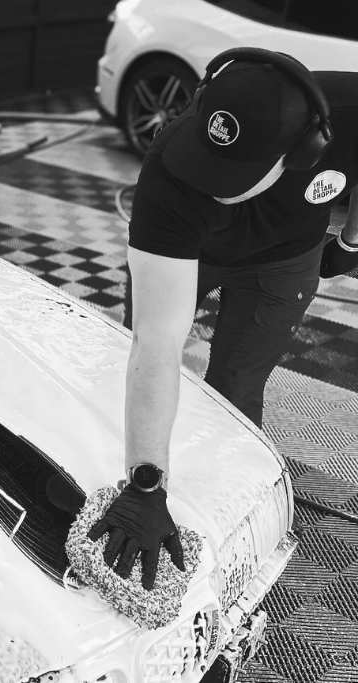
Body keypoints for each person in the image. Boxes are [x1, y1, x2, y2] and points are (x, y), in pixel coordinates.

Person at [88, 48, 358, 590]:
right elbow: (156, 344)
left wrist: (351, 241)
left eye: (232, 174)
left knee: (237, 383)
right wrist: (144, 486)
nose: (209, 181)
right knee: (140, 356)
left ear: (303, 151)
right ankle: (147, 471)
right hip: (191, 250)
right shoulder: (171, 170)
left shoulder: (348, 114)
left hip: (286, 257)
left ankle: (224, 512)